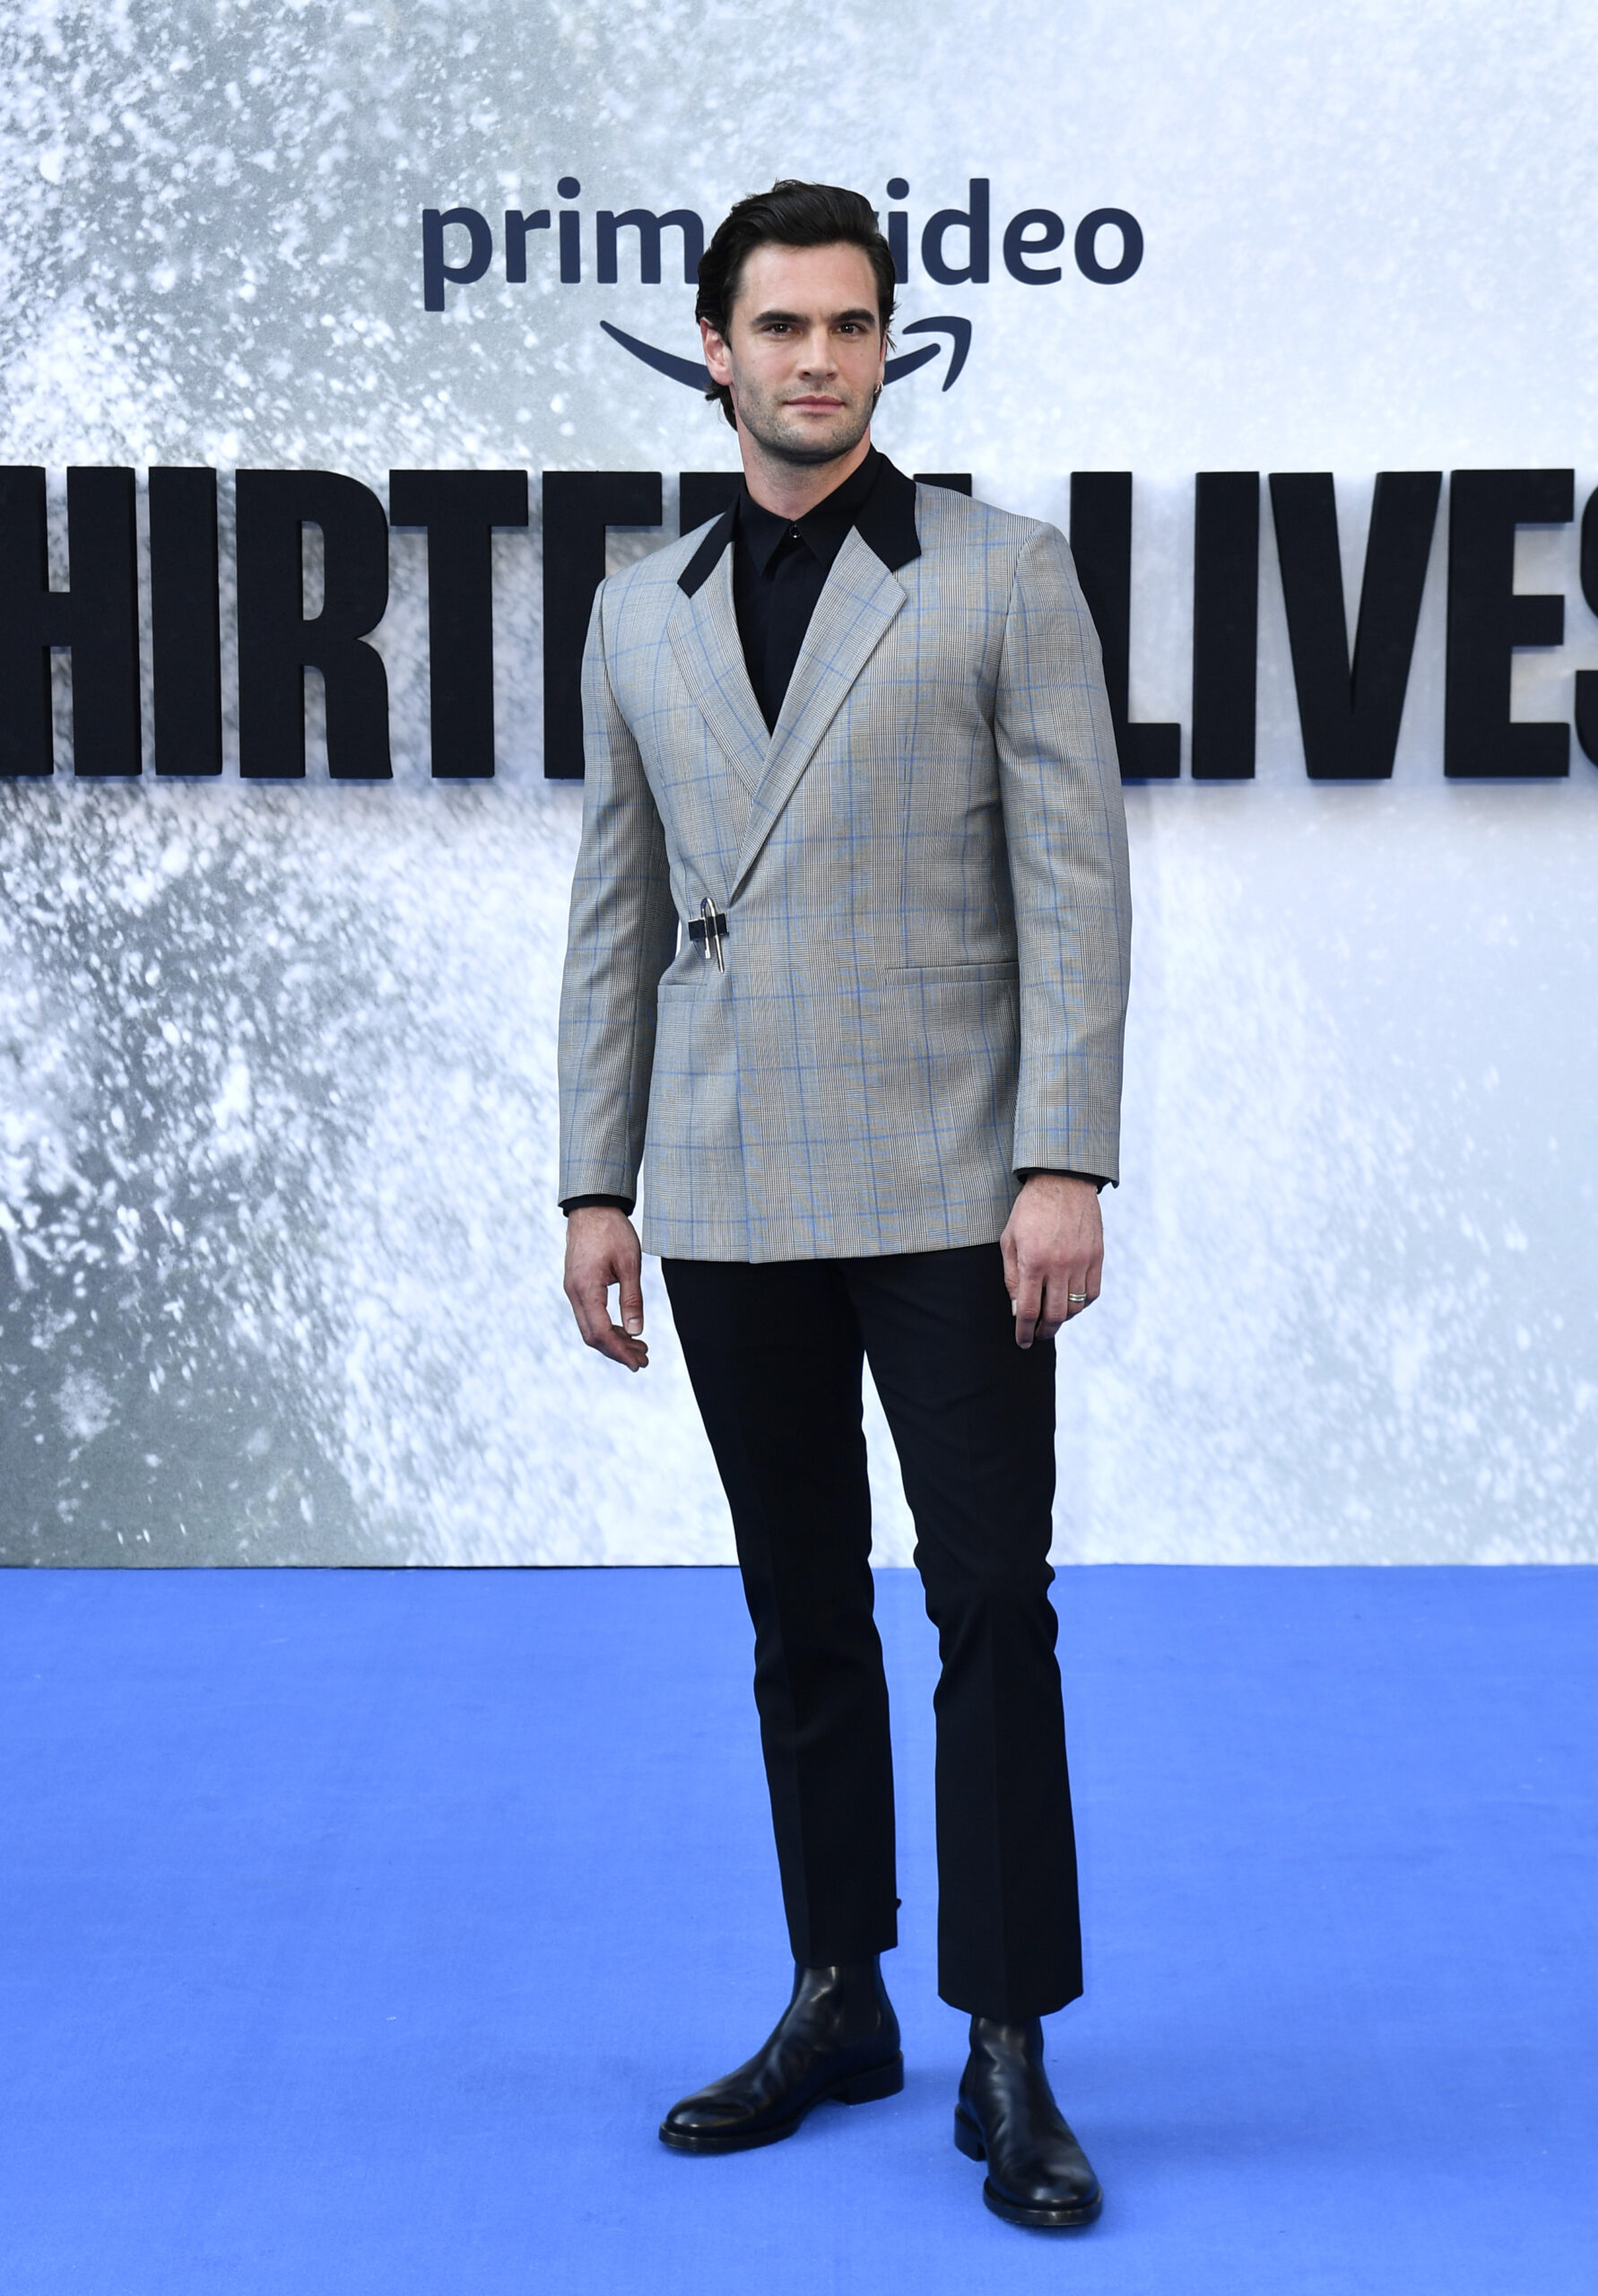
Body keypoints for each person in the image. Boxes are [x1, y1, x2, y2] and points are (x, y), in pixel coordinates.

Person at [557, 179, 1131, 2231]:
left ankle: (1011, 2039)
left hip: (955, 1175)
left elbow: (1076, 887)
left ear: (889, 345)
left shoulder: (1002, 574)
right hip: (724, 1176)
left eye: (852, 325)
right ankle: (840, 1991)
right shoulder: (638, 608)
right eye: (783, 327)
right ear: (714, 350)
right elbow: (614, 910)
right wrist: (594, 1179)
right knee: (797, 1607)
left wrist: (1064, 1157)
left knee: (991, 1603)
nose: (820, 359)